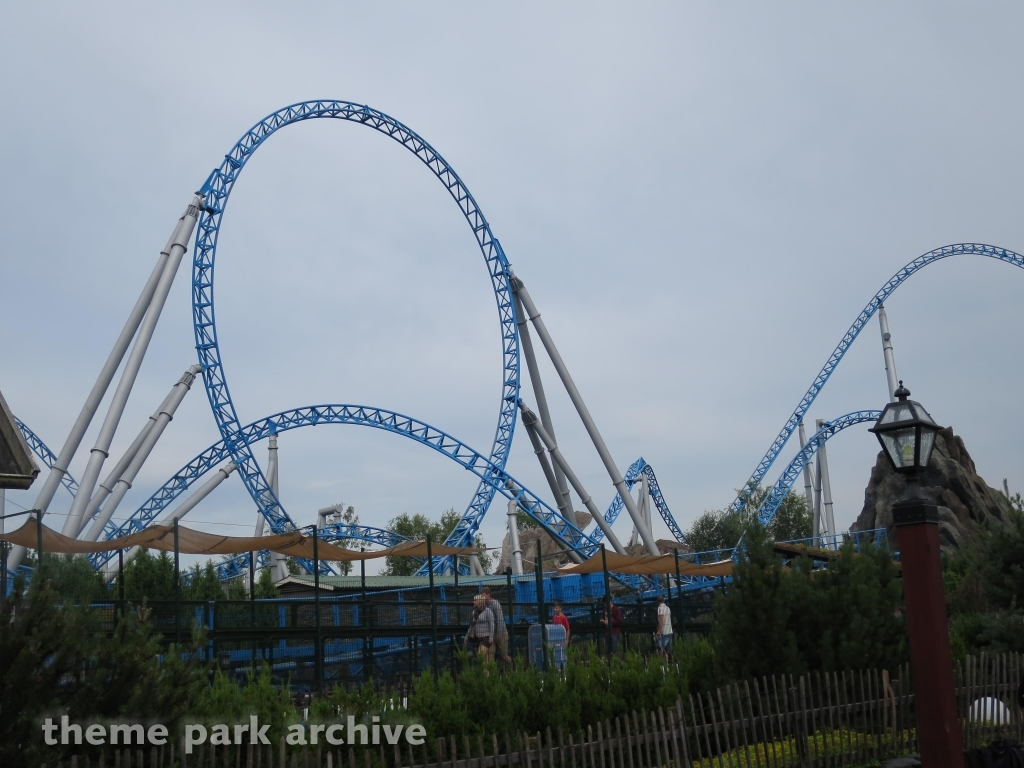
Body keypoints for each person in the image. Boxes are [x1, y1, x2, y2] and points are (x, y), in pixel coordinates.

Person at [482, 586, 512, 664]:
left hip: (501, 632)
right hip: (491, 634)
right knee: (490, 655)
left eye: (484, 595)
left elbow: (500, 619)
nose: (482, 597)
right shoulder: (484, 606)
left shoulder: (495, 604)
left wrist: (499, 634)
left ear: (488, 595)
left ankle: (514, 666)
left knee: (504, 655)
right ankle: (491, 670)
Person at [466, 594, 495, 664]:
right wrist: (467, 636)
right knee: (486, 660)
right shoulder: (474, 612)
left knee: (480, 656)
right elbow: (471, 625)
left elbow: (492, 624)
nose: (473, 602)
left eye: (475, 600)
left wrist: (491, 637)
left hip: (485, 637)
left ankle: (485, 670)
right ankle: (486, 671)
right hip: (477, 637)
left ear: (480, 602)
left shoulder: (488, 611)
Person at [655, 595, 673, 660]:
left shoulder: (660, 608)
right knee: (668, 650)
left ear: (657, 601)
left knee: (661, 649)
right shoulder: (668, 608)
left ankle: (663, 663)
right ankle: (671, 662)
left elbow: (661, 619)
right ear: (664, 600)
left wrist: (659, 630)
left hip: (664, 632)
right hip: (669, 630)